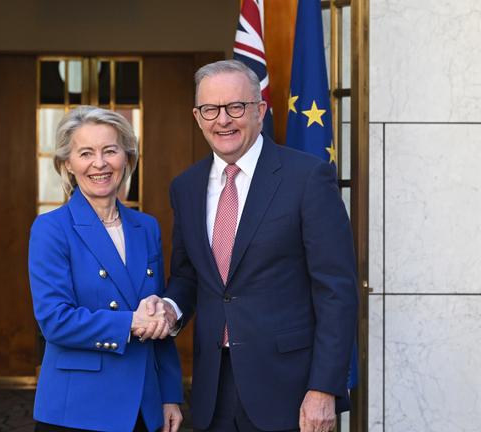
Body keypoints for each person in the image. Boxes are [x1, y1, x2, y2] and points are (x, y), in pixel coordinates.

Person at [144, 60, 358, 432]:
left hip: (291, 389)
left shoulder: (307, 178)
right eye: (211, 109)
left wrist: (324, 387)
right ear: (198, 116)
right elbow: (188, 275)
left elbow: (336, 291)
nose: (222, 120)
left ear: (260, 110)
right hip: (214, 390)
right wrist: (169, 306)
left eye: (235, 107)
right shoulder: (186, 187)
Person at [28, 106, 184, 432]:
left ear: (126, 158)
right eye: (86, 153)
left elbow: (156, 314)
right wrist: (131, 322)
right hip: (79, 409)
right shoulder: (51, 229)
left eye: (110, 151)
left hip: (144, 404)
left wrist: (170, 394)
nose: (99, 163)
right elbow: (55, 321)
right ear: (67, 164)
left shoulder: (147, 227)